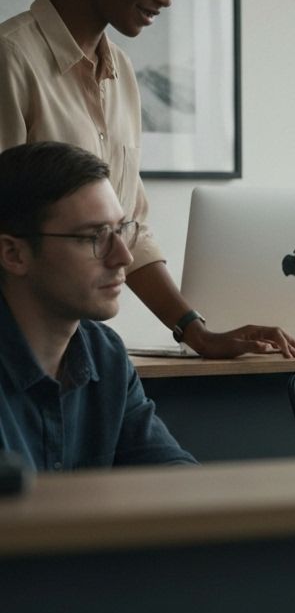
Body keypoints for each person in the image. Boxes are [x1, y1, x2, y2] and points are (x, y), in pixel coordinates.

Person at [0, 0, 295, 359]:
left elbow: (129, 229)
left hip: (75, 345)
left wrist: (194, 330)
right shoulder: (11, 59)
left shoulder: (119, 73)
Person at [0, 142, 195, 470]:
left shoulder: (104, 354)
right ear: (13, 254)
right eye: (93, 237)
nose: (124, 256)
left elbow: (174, 477)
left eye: (120, 231)